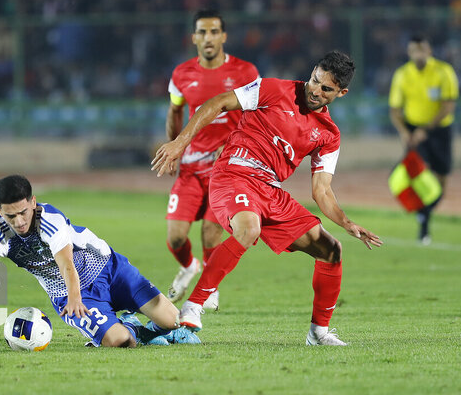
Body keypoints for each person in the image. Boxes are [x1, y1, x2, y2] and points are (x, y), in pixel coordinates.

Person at [152, 51, 382, 346]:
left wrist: (347, 223)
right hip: (234, 172)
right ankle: (193, 306)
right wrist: (179, 143)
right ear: (311, 72)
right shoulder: (274, 89)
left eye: (326, 89)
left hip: (270, 190)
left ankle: (319, 333)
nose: (315, 90)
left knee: (331, 250)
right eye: (314, 80)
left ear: (341, 93)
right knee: (248, 228)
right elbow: (219, 102)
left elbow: (321, 190)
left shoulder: (328, 134)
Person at [0, 175, 200, 349]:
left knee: (172, 321)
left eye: (23, 212)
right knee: (121, 342)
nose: (19, 221)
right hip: (70, 294)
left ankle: (151, 329)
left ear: (33, 202)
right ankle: (133, 328)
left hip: (110, 270)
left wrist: (74, 297)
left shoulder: (50, 220)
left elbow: (66, 263)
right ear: (0, 211)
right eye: (11, 216)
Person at [163, 9, 260, 310]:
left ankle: (210, 284)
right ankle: (189, 266)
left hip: (226, 169)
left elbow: (256, 117)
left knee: (210, 230)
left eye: (214, 31)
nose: (208, 38)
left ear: (224, 36)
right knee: (175, 238)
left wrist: (238, 145)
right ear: (193, 37)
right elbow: (175, 111)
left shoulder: (246, 73)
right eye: (202, 32)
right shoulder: (182, 74)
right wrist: (173, 148)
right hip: (191, 168)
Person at [388, 35, 458, 245]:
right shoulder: (402, 74)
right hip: (413, 130)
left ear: (429, 51)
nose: (418, 54)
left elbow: (448, 105)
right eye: (414, 50)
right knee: (420, 173)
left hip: (439, 130)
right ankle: (423, 223)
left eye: (422, 50)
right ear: (409, 53)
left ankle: (424, 212)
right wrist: (404, 131)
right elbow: (394, 109)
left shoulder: (443, 71)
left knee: (441, 179)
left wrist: (426, 129)